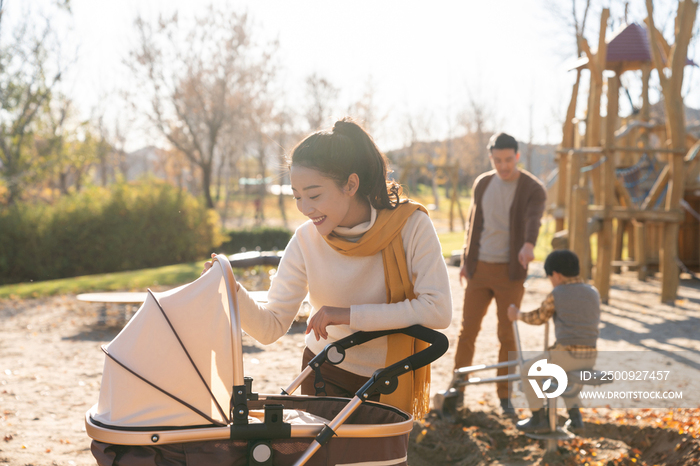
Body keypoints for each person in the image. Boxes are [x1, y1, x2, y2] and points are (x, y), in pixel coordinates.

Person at [202, 118, 452, 418]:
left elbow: (438, 310)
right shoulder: (306, 240)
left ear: (350, 184)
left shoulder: (410, 225)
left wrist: (348, 315)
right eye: (297, 196)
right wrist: (231, 288)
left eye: (314, 195)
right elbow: (270, 329)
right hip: (324, 373)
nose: (305, 208)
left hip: (389, 378)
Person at [453, 132, 546, 415]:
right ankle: (457, 390)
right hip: (479, 269)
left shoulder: (533, 188)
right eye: (497, 160)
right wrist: (467, 260)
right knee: (467, 331)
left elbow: (533, 220)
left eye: (508, 160)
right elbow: (473, 222)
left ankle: (505, 397)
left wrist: (528, 245)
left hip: (510, 272)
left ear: (517, 157)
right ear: (491, 158)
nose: (503, 166)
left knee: (507, 334)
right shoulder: (483, 183)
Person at [508, 249, 600, 433]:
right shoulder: (593, 292)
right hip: (590, 355)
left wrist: (517, 315)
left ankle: (538, 418)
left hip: (567, 353)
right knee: (565, 379)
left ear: (556, 275)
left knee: (528, 371)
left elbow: (539, 317)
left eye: (549, 277)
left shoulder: (558, 293)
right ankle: (575, 418)